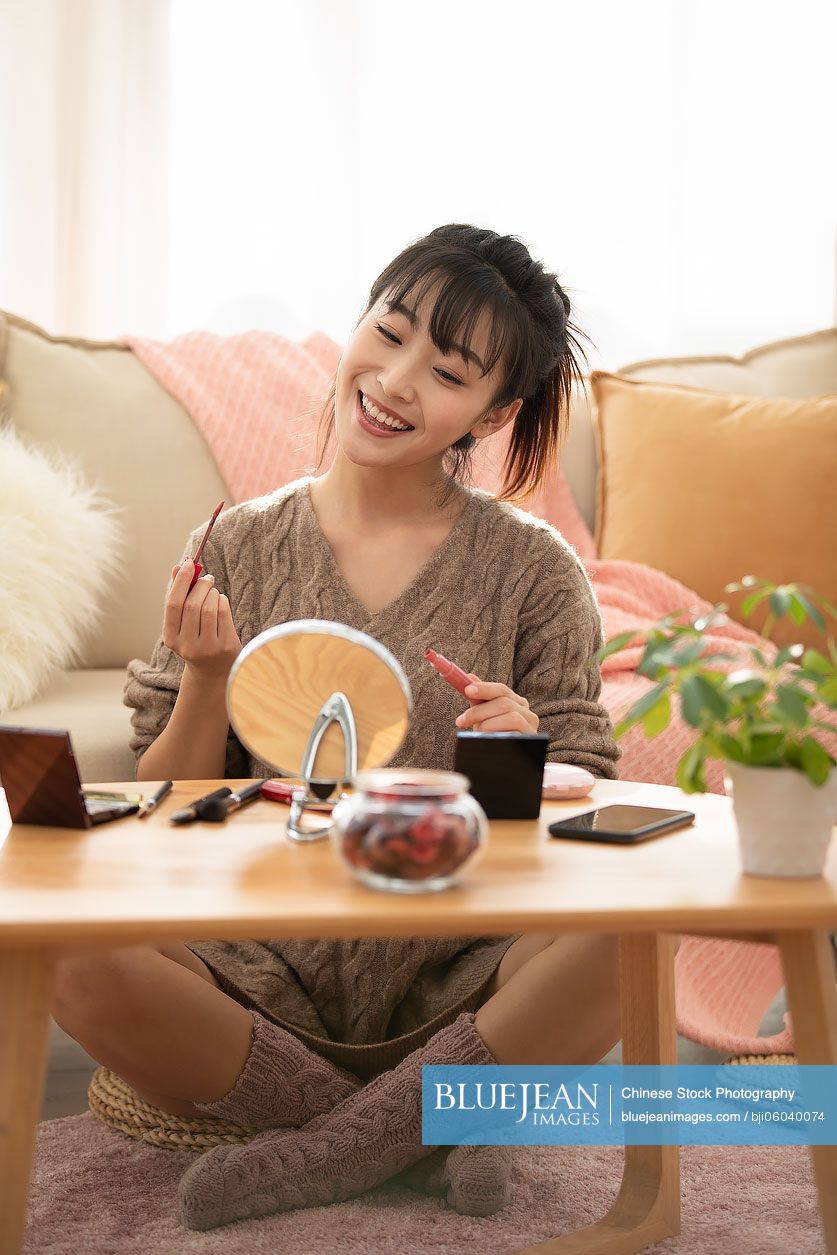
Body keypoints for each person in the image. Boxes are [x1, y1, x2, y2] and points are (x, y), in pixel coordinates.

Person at [52, 224, 623, 1231]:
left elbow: (581, 813)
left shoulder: (537, 572)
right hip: (252, 978)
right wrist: (206, 677)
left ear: (493, 412)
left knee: (628, 948)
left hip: (466, 980)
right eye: (389, 331)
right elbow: (160, 798)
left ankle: (320, 1146)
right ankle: (415, 1139)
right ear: (357, 321)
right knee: (64, 955)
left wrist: (524, 750)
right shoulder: (235, 542)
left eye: (445, 371)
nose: (396, 380)